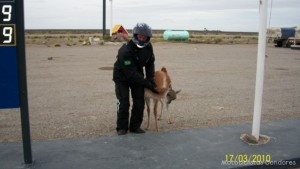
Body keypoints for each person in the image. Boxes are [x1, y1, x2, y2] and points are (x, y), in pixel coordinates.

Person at [113, 23, 159, 135]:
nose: (142, 39)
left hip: (137, 75)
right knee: (124, 102)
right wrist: (147, 84)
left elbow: (150, 63)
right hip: (122, 77)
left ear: (148, 38)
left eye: (145, 37)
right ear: (135, 35)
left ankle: (135, 126)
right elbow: (130, 74)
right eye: (140, 36)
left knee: (139, 102)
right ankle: (122, 127)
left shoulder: (148, 47)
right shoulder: (125, 51)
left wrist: (150, 79)